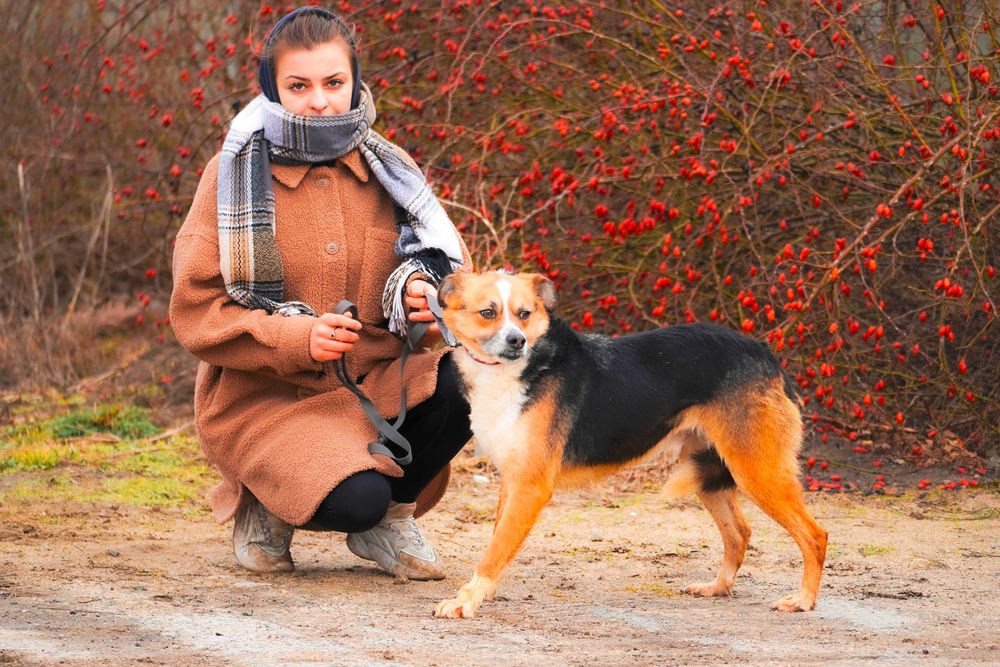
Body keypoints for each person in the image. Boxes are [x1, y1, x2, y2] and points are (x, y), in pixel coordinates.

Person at [169, 6, 472, 581]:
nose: (320, 101)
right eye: (299, 86)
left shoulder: (394, 169)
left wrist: (426, 306)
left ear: (355, 80)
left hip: (378, 386)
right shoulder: (229, 174)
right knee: (351, 502)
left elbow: (455, 287)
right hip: (267, 400)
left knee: (476, 380)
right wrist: (296, 336)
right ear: (272, 88)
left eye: (334, 83)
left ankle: (392, 517)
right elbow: (195, 312)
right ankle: (265, 499)